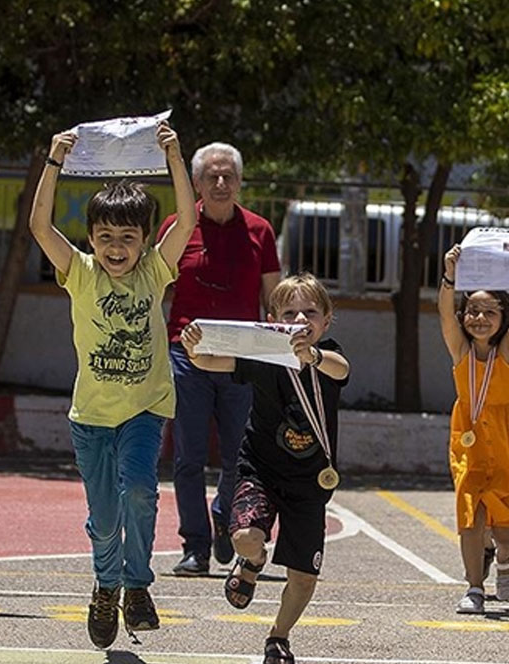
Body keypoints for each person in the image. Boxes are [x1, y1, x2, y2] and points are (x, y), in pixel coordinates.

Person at [29, 122, 196, 648]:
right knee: (104, 519)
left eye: (128, 237)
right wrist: (54, 161)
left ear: (146, 240)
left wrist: (175, 156)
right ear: (91, 239)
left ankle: (137, 587)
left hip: (146, 408)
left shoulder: (155, 271)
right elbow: (39, 225)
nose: (116, 247)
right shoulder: (79, 272)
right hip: (91, 419)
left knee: (141, 492)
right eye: (105, 237)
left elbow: (188, 217)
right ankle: (106, 586)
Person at [180, 274, 349, 664]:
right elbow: (209, 360)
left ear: (326, 320)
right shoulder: (263, 357)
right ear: (272, 318)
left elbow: (341, 369)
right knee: (243, 536)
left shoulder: (329, 357)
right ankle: (253, 562)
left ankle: (278, 637)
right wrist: (192, 348)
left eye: (310, 312)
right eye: (289, 313)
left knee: (304, 576)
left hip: (309, 484)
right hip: (261, 470)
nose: (299, 320)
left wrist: (314, 356)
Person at [160, 142, 282, 576]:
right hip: (186, 355)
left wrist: (282, 346)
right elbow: (156, 288)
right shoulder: (176, 227)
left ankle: (227, 521)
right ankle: (195, 546)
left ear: (240, 181)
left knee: (239, 455)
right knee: (188, 458)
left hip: (244, 360)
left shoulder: (260, 231)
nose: (220, 183)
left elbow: (274, 297)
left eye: (228, 175)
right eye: (211, 176)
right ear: (195, 183)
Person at [439, 246, 509, 615]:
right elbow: (444, 314)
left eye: (489, 312)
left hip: (506, 436)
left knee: (507, 527)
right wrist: (450, 274)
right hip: (468, 437)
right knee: (471, 512)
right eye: (473, 311)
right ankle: (474, 587)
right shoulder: (461, 352)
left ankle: (504, 558)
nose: (479, 318)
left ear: (503, 318)